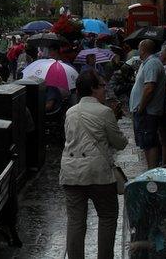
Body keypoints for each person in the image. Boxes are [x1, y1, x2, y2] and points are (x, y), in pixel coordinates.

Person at [60, 70, 128, 259]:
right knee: (107, 217)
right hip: (98, 173)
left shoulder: (70, 112)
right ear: (93, 88)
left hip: (71, 171)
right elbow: (120, 143)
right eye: (102, 85)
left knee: (75, 221)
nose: (105, 89)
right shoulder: (105, 111)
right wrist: (113, 119)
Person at [129, 39, 166, 169]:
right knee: (146, 142)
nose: (139, 51)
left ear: (143, 49)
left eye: (139, 48)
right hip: (146, 111)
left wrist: (140, 108)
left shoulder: (152, 63)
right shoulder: (147, 63)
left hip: (147, 112)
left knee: (149, 141)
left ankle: (152, 171)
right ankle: (150, 170)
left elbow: (149, 87)